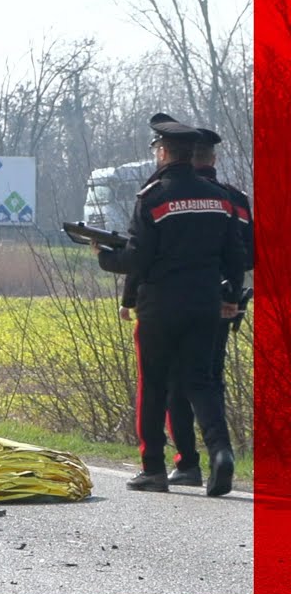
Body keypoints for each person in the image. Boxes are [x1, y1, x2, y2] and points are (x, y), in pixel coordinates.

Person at [94, 114, 245, 496]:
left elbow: (138, 260)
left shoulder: (153, 196)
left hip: (160, 306)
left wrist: (105, 256)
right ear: (192, 154)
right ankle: (222, 453)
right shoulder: (222, 198)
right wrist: (229, 298)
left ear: (163, 153)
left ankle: (153, 470)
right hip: (206, 304)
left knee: (155, 385)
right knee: (202, 383)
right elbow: (235, 255)